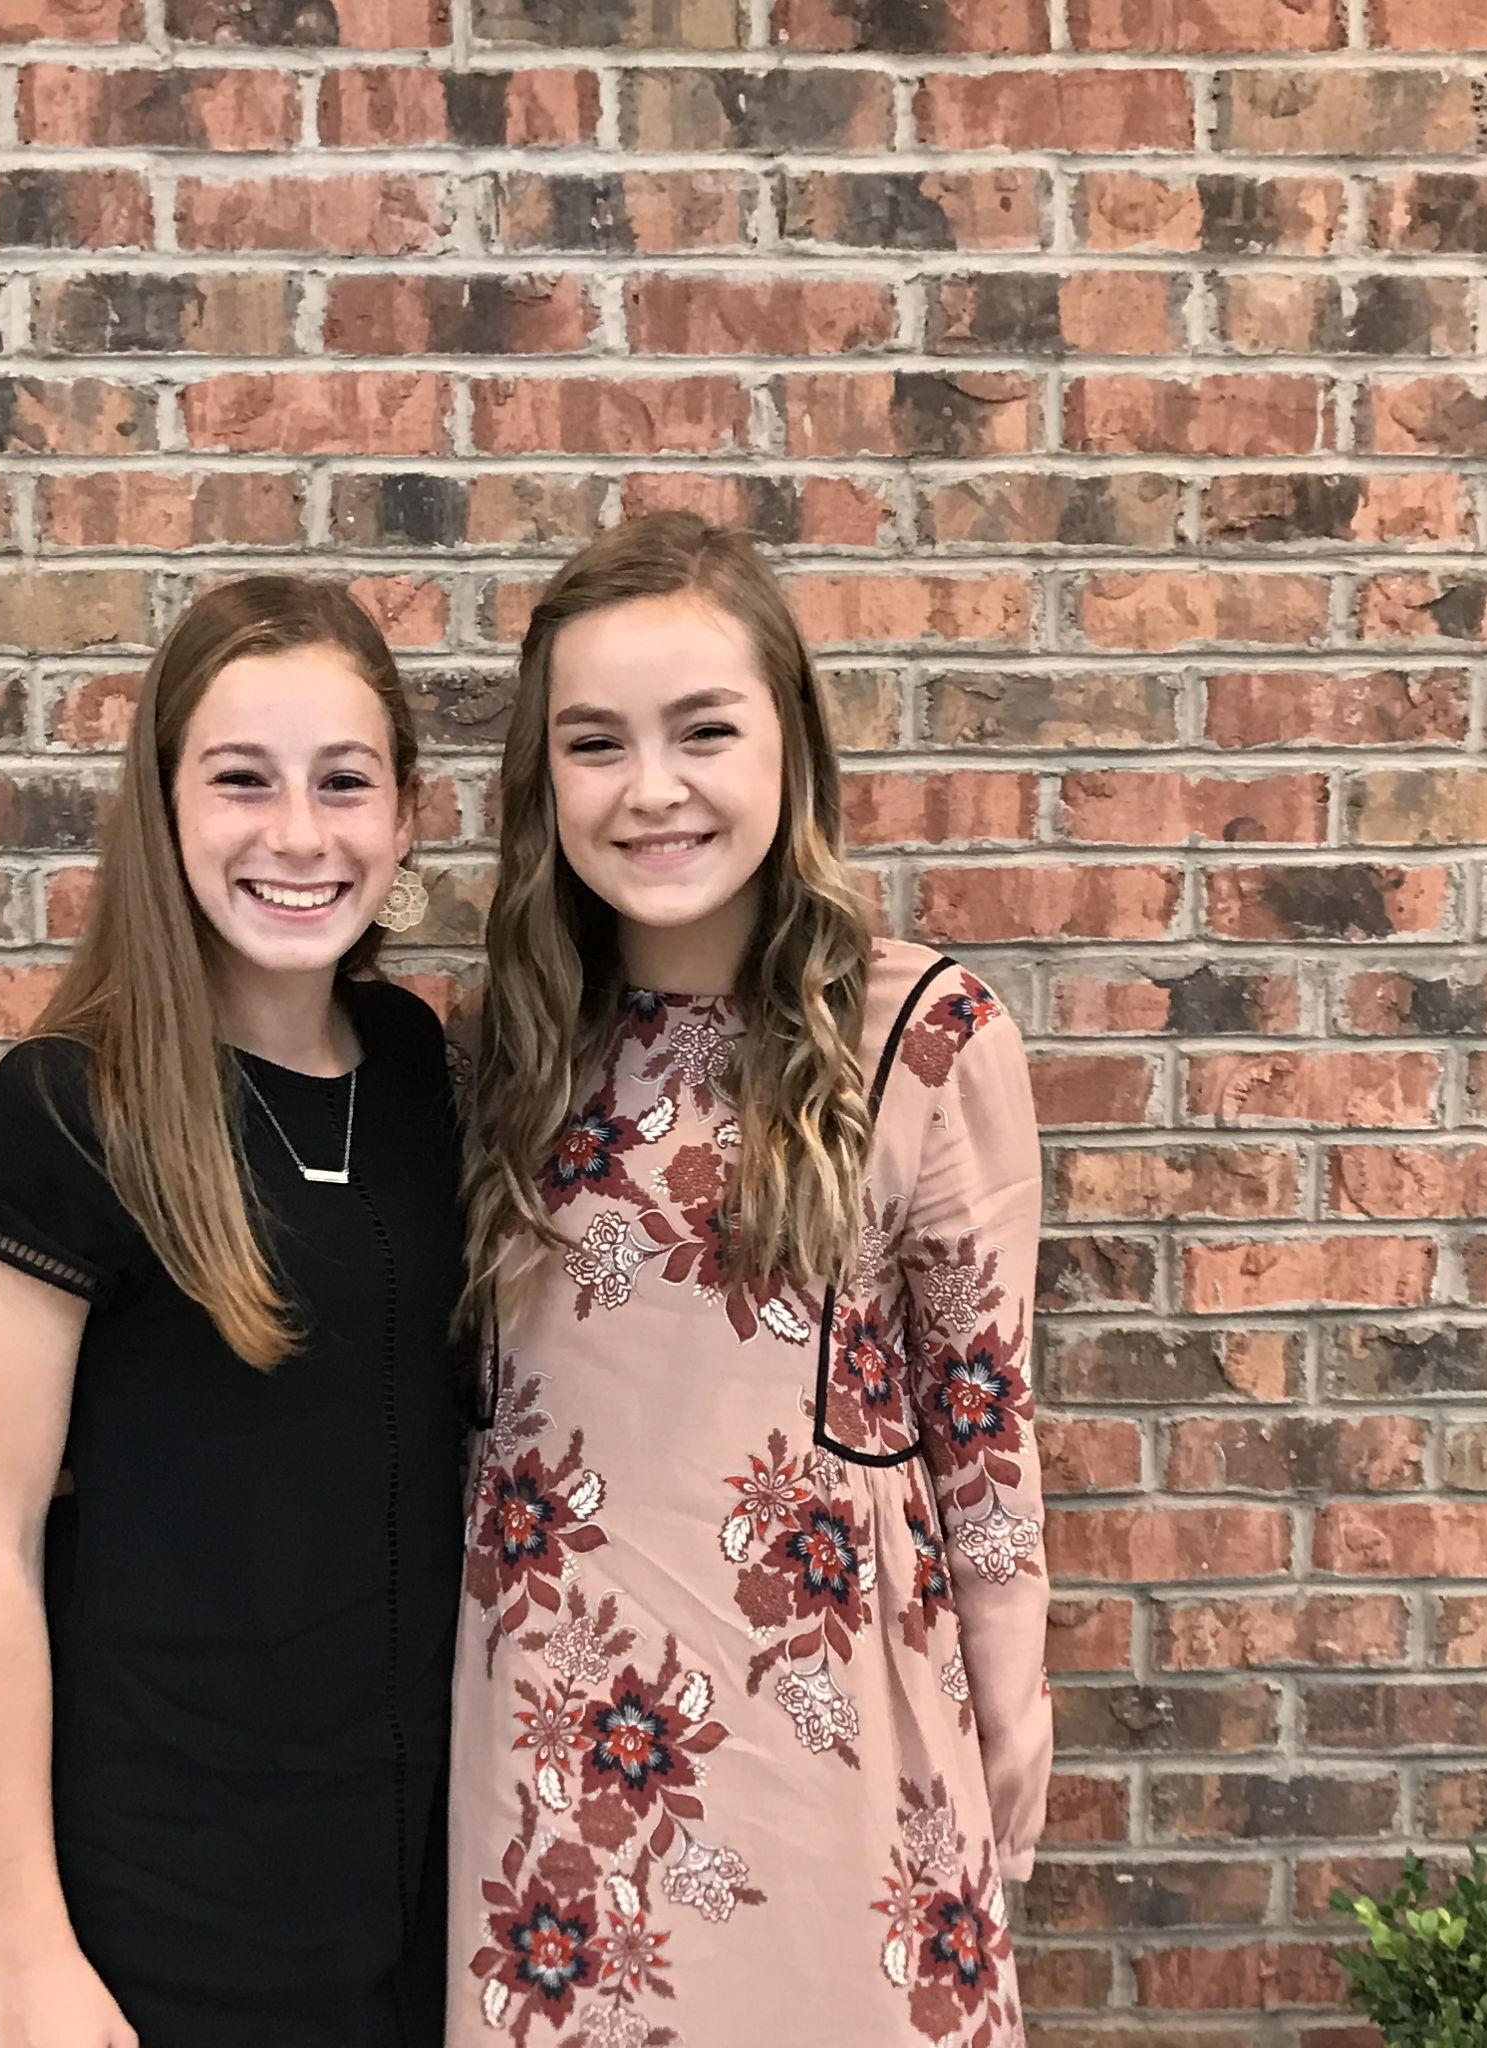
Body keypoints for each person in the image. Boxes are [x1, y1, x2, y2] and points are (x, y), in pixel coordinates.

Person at [447, 513, 1050, 2046]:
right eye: (595, 743)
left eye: (703, 730)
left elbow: (984, 1443)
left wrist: (1012, 1717)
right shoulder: (495, 1052)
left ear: (790, 744)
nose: (651, 788)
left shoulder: (921, 1037)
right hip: (555, 1763)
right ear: (541, 783)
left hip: (842, 1749)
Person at [0, 576, 466, 2048]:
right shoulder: (62, 1112)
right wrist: (28, 1954)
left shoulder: (416, 1067)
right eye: (241, 780)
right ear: (163, 809)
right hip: (174, 1900)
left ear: (405, 816)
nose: (298, 834)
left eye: (343, 782)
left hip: (424, 1883)